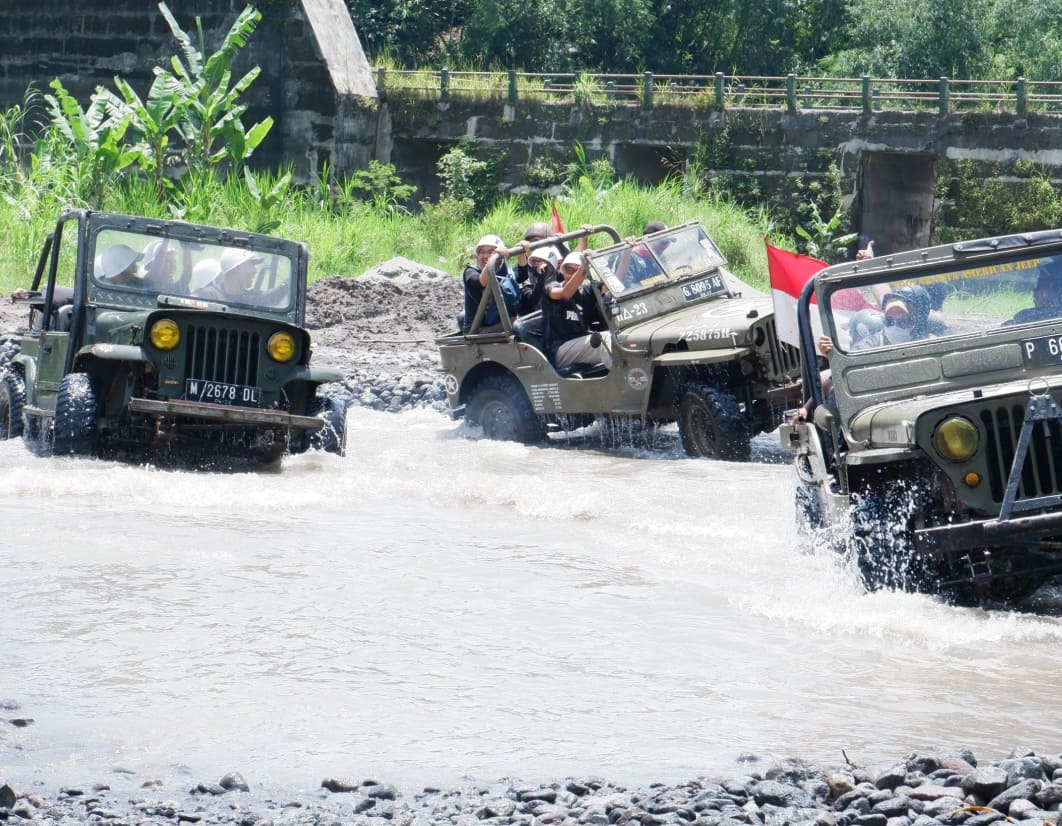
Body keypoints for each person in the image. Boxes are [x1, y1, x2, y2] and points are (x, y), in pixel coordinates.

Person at [542, 251, 612, 370]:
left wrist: (626, 253)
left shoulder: (586, 291)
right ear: (562, 270)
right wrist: (581, 269)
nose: (573, 274)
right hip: (559, 350)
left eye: (577, 271)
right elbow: (564, 294)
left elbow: (612, 283)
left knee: (618, 337)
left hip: (582, 344)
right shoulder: (551, 288)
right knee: (604, 339)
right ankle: (627, 378)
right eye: (569, 270)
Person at [462, 234, 519, 333]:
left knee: (522, 321)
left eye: (490, 252)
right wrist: (493, 259)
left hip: (501, 321)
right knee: (517, 323)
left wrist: (522, 254)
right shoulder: (470, 272)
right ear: (477, 255)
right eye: (482, 252)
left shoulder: (507, 271)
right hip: (476, 329)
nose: (486, 256)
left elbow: (523, 277)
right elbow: (481, 283)